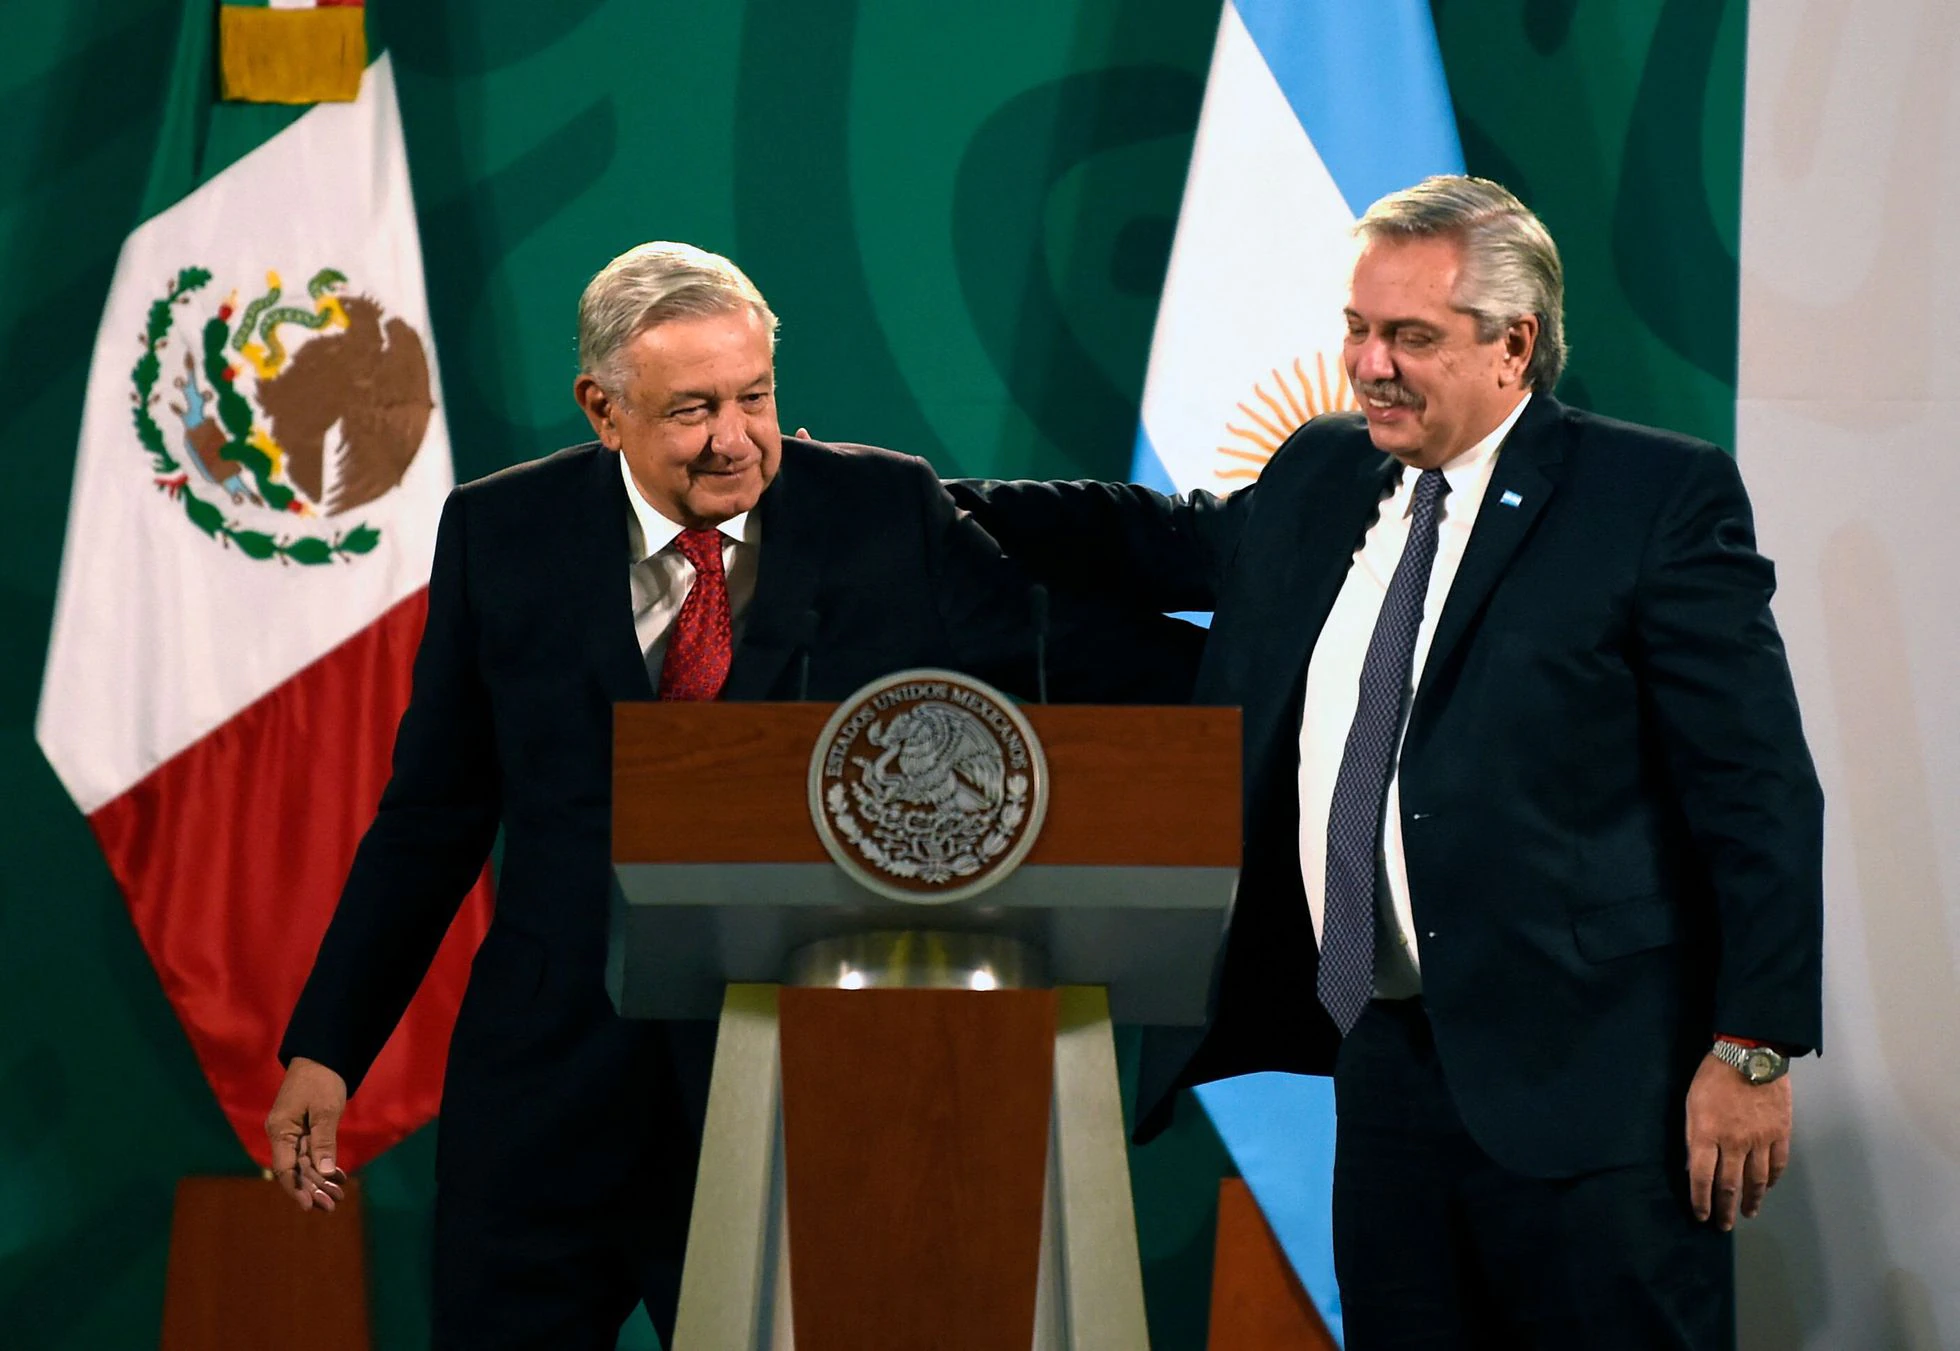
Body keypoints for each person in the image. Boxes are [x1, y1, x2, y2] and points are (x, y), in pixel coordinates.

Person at [263, 241, 1200, 1349]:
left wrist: (1278, 666)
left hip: (794, 1076)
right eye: (690, 410)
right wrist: (326, 1044)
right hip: (548, 1087)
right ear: (601, 408)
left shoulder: (878, 510)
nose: (734, 439)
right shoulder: (500, 531)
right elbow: (433, 814)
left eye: (754, 397)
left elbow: (1069, 659)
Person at [949, 176, 1823, 1349]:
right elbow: (1149, 539)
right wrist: (889, 499)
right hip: (1388, 1068)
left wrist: (1750, 1045)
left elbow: (1756, 787)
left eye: (1410, 337)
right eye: (1358, 329)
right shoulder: (1323, 476)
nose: (1368, 365)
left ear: (1512, 344)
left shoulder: (1649, 497)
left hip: (1599, 1086)